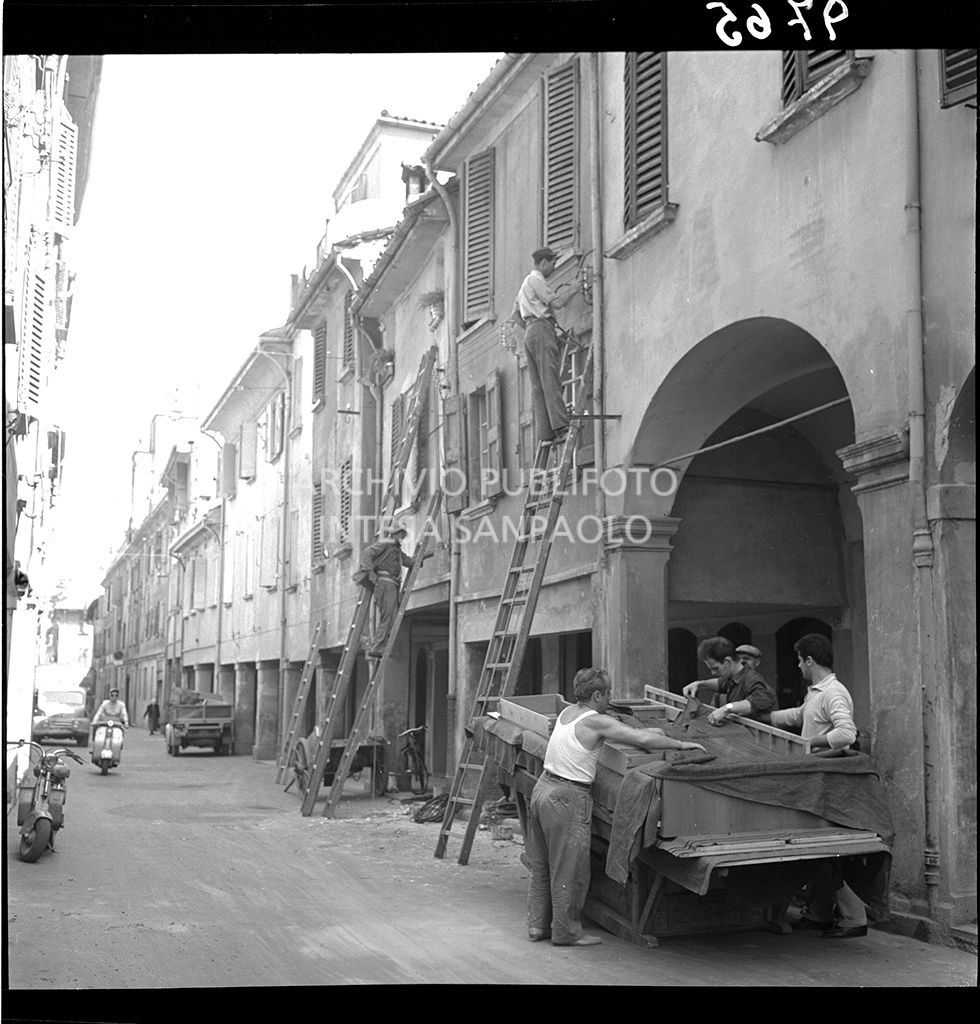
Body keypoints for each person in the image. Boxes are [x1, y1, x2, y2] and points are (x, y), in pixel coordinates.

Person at [526, 667, 706, 947]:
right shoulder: (595, 722)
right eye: (608, 693)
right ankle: (566, 932)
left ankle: (537, 926)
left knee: (541, 864)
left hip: (542, 789)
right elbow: (642, 740)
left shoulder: (568, 714)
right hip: (567, 797)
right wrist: (681, 743)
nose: (610, 698)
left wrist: (645, 731)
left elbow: (630, 733)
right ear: (597, 695)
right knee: (569, 869)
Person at [770, 633, 867, 939]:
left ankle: (854, 919)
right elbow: (800, 715)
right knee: (819, 856)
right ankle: (820, 914)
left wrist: (808, 743)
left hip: (829, 783)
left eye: (799, 661)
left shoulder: (834, 692)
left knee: (834, 854)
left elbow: (846, 734)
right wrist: (760, 717)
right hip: (815, 781)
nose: (798, 667)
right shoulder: (816, 693)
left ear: (809, 661)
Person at [512, 246, 579, 444]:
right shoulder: (536, 280)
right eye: (553, 263)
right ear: (543, 263)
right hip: (540, 328)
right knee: (550, 379)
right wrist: (574, 288)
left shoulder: (524, 284)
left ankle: (546, 434)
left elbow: (514, 315)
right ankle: (560, 427)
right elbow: (556, 303)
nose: (554, 267)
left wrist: (531, 328)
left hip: (530, 333)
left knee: (538, 385)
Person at [353, 519, 430, 659]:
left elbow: (410, 562)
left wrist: (429, 554)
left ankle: (380, 646)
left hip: (391, 586)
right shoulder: (385, 544)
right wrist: (370, 573)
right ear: (396, 533)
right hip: (385, 584)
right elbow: (366, 554)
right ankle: (378, 647)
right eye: (402, 534)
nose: (403, 537)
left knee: (390, 616)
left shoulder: (395, 549)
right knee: (388, 616)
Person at [681, 636, 777, 725]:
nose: (713, 673)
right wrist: (699, 684)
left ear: (728, 661)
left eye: (716, 668)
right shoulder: (732, 677)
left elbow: (760, 700)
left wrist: (727, 708)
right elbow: (719, 684)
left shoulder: (752, 679)